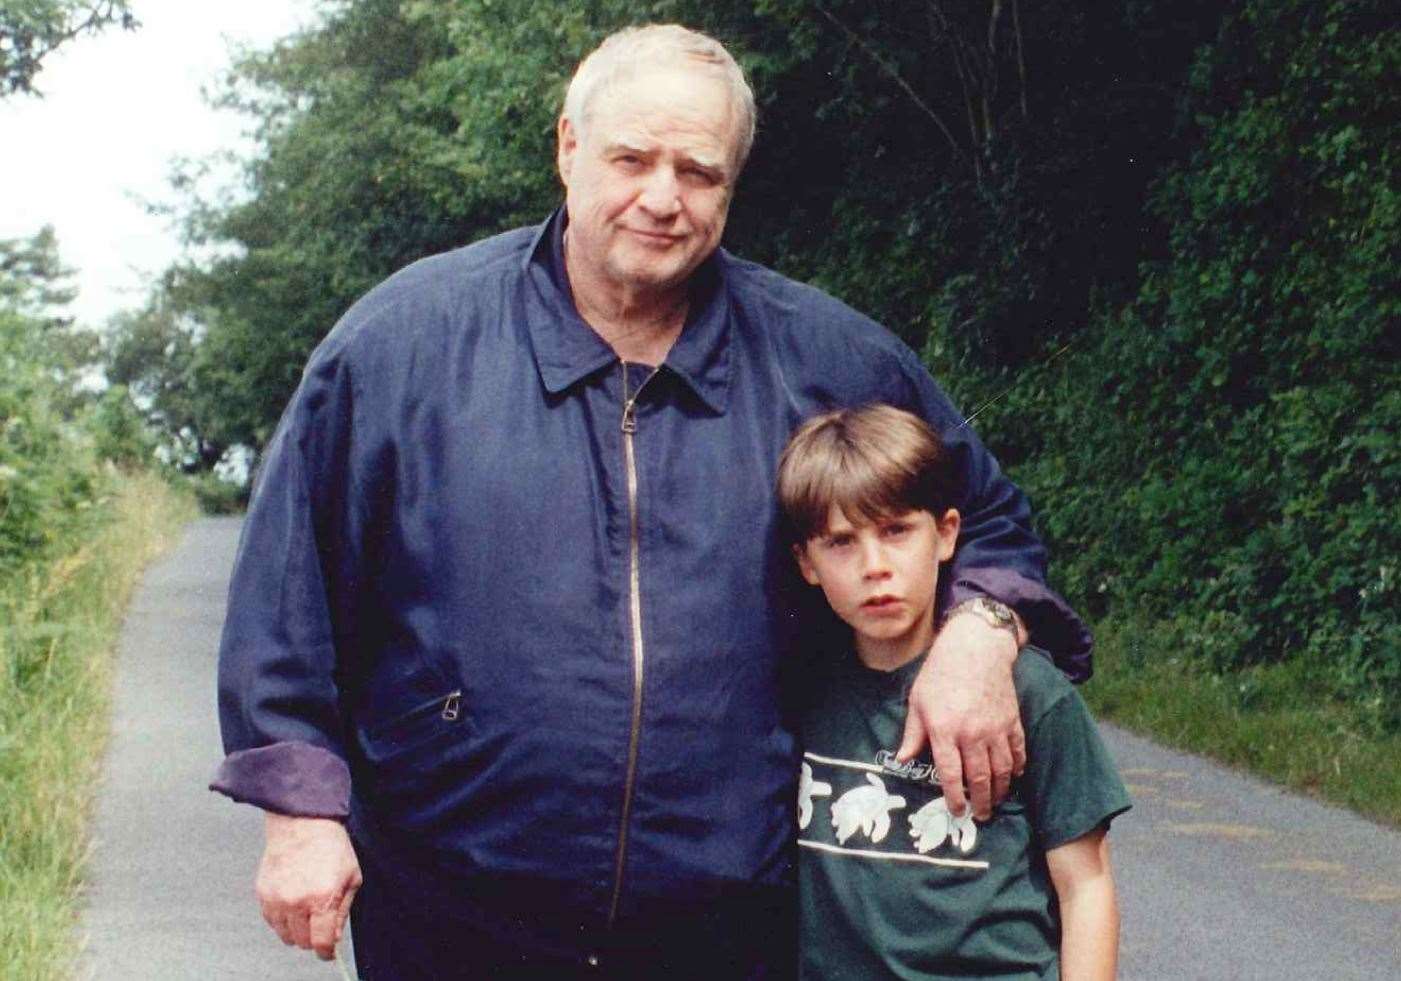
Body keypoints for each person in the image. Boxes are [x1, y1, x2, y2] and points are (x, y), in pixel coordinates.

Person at [210, 23, 1091, 979]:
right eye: (632, 158)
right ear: (567, 147)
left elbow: (988, 520)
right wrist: (299, 814)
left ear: (731, 186)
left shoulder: (828, 359)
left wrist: (977, 632)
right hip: (452, 909)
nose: (662, 199)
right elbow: (285, 599)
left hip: (733, 923)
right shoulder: (399, 347)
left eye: (698, 172)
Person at [776, 404, 1129, 980]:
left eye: (896, 531)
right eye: (841, 542)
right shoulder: (800, 685)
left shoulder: (1025, 690)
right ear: (806, 563)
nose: (875, 566)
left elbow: (1085, 885)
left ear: (945, 534)